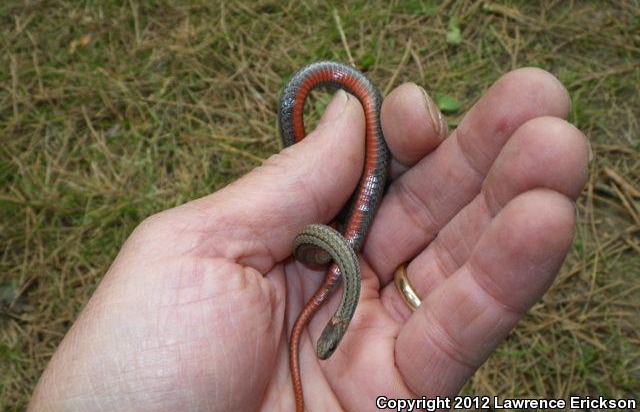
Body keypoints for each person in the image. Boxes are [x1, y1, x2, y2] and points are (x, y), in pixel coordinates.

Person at [28, 68, 590, 411]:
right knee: (367, 172)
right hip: (330, 258)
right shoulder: (324, 271)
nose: (325, 342)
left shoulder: (330, 274)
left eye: (325, 340)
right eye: (328, 340)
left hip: (334, 252)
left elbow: (324, 247)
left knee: (373, 164)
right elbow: (318, 250)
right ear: (337, 329)